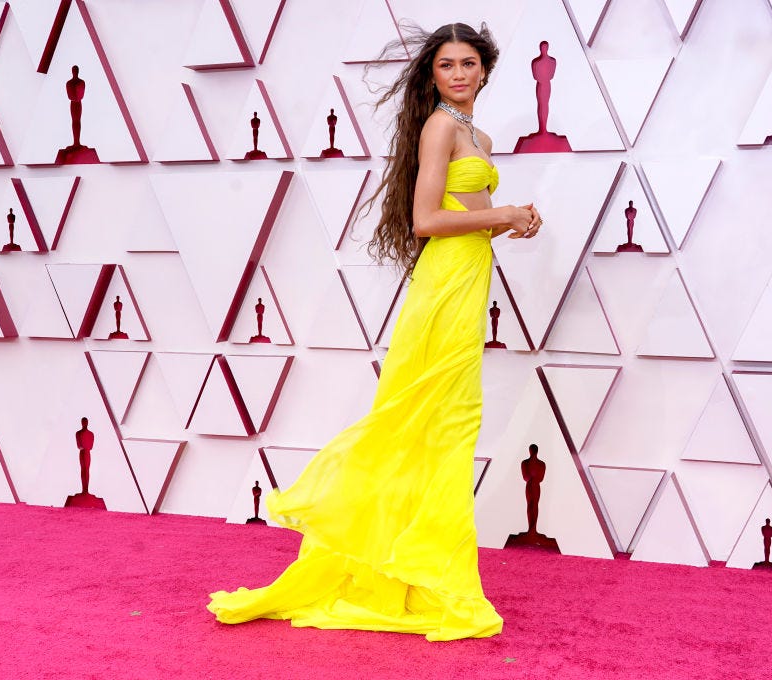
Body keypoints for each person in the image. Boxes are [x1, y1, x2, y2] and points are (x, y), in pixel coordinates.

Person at [208, 22, 541, 642]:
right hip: (442, 288)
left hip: (468, 281)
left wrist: (512, 221)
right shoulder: (440, 126)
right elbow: (424, 220)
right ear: (433, 75)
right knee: (430, 421)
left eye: (470, 63)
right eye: (447, 65)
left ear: (486, 71)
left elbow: (466, 221)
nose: (460, 74)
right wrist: (501, 211)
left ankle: (420, 574)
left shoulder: (479, 133)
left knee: (446, 425)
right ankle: (424, 577)